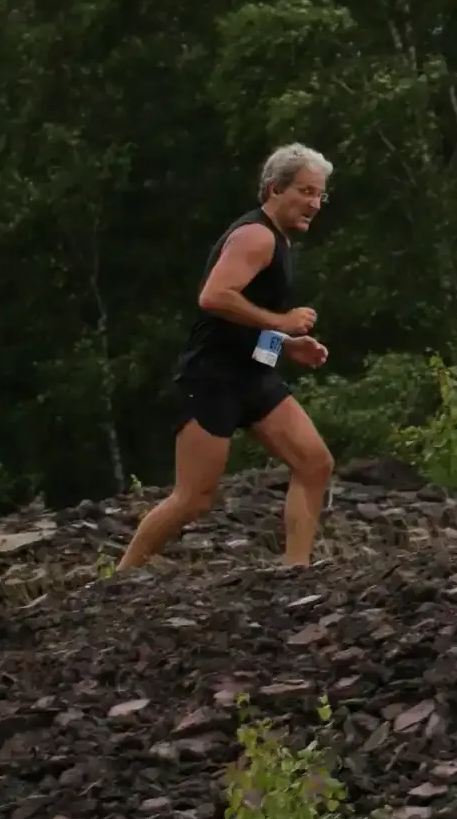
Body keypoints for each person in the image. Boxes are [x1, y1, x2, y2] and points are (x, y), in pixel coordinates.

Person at [118, 145, 337, 571]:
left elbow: (242, 328)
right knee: (194, 499)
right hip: (212, 379)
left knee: (314, 463)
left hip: (253, 376)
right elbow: (214, 297)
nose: (314, 203)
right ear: (275, 189)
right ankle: (116, 581)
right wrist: (284, 321)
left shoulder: (280, 241)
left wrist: (286, 346)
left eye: (320, 195)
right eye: (306, 191)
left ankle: (297, 572)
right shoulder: (256, 235)